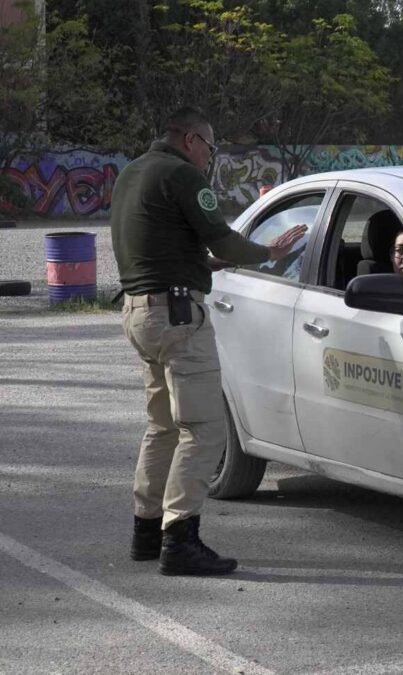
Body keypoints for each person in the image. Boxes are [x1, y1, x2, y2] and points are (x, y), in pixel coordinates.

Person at [111, 107, 306, 576]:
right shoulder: (181, 176)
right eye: (211, 148)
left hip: (140, 312)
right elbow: (224, 241)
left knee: (162, 427)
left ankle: (146, 530)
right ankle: (180, 539)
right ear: (192, 139)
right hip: (178, 319)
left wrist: (208, 266)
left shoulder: (132, 174)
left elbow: (165, 249)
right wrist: (269, 252)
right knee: (204, 429)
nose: (211, 159)